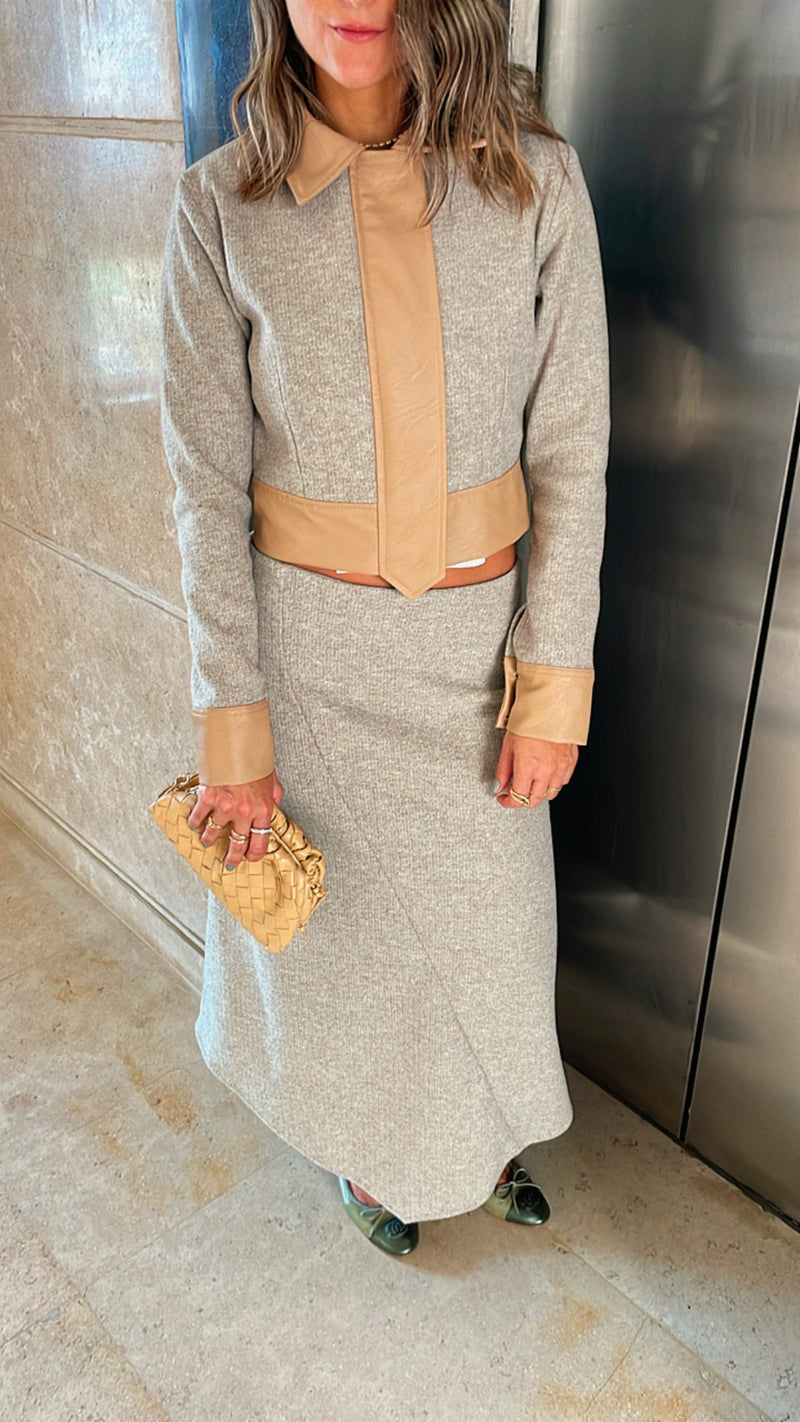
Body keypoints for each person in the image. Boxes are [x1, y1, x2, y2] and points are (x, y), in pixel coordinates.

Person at [159, 0, 609, 1258]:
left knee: (487, 940)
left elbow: (571, 450)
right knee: (349, 960)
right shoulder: (219, 205)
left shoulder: (534, 181)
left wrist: (551, 682)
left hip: (474, 663)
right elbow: (202, 488)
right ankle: (371, 1155)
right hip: (308, 666)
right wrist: (233, 722)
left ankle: (479, 1138)